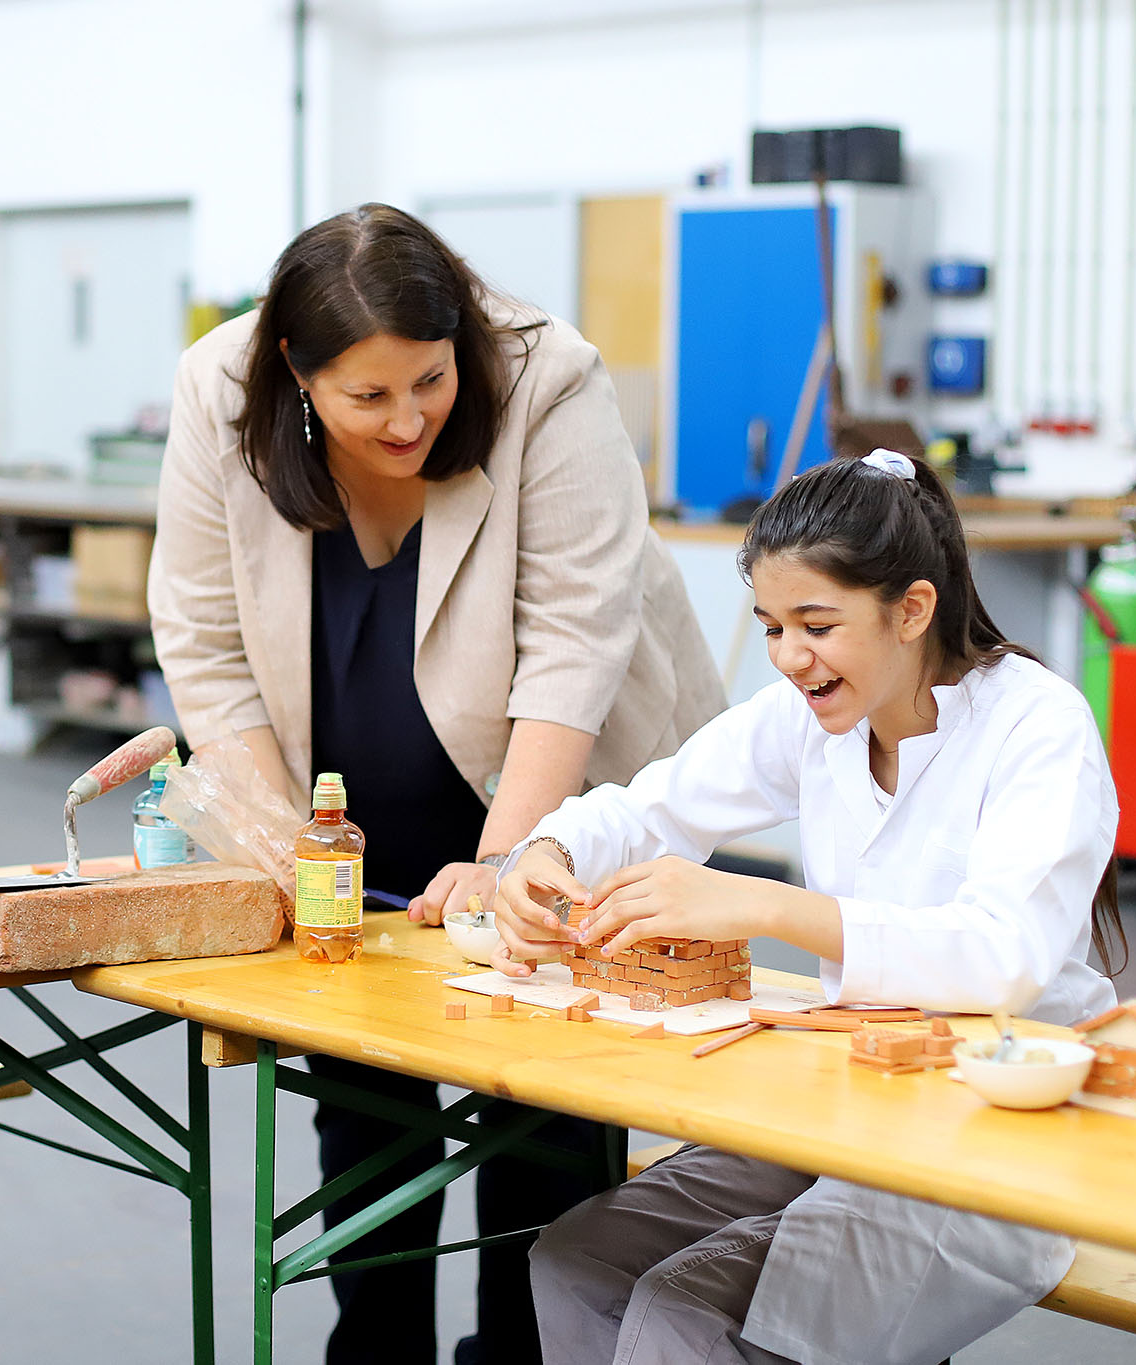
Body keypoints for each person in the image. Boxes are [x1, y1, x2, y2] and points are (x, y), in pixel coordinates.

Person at [149, 203, 725, 1364]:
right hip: (347, 800)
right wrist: (280, 849)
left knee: (541, 1101)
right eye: (366, 397)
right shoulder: (218, 390)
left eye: (427, 381)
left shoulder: (545, 379)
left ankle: (524, 1353)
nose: (406, 419)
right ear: (294, 378)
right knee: (361, 1094)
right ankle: (378, 1352)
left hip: (551, 785)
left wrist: (513, 860)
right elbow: (204, 638)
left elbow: (571, 645)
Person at [495, 450, 1127, 1365]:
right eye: (772, 627)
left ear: (913, 609)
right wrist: (546, 851)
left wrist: (760, 903)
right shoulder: (811, 713)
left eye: (816, 624)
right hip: (848, 1098)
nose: (791, 656)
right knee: (574, 1259)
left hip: (992, 1131)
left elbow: (1003, 954)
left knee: (686, 1314)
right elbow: (651, 805)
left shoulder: (1038, 726)